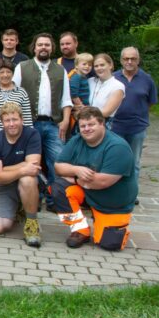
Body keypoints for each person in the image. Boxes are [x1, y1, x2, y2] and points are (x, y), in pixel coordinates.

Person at [51, 107, 137, 251]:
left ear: (102, 124)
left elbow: (102, 182)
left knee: (110, 244)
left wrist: (75, 179)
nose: (86, 129)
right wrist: (76, 170)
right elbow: (58, 167)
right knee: (58, 188)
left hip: (112, 203)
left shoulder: (117, 147)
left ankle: (104, 221)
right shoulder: (77, 140)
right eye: (83, 126)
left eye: (91, 124)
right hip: (88, 192)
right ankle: (80, 229)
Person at [13, 33, 73, 211]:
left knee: (58, 162)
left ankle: (55, 200)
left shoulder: (60, 70)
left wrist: (66, 121)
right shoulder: (22, 67)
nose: (43, 48)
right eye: (40, 45)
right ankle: (34, 198)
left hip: (54, 124)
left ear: (52, 48)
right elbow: (15, 96)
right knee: (31, 163)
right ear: (34, 48)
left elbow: (66, 99)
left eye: (47, 45)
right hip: (29, 124)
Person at [0, 103, 43, 247]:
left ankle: (31, 223)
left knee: (28, 179)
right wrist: (22, 167)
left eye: (15, 119)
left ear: (22, 119)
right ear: (2, 122)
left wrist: (5, 169)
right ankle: (18, 208)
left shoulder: (32, 134)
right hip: (3, 186)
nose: (11, 124)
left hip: (26, 184)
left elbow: (33, 168)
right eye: (7, 120)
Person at [112, 47, 157, 179]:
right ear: (121, 60)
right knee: (116, 161)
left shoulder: (147, 79)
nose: (129, 62)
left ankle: (132, 190)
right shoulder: (113, 78)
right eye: (126, 59)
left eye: (133, 59)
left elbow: (151, 102)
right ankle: (116, 189)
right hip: (115, 127)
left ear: (138, 60)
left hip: (137, 128)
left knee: (134, 163)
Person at [0, 61, 33, 137]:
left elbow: (27, 117)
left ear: (13, 74)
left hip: (16, 135)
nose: (5, 75)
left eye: (8, 72)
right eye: (1, 72)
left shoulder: (21, 92)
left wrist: (29, 135)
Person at [88, 53, 125, 123]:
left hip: (104, 123)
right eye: (96, 66)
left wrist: (82, 110)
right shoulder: (90, 81)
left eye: (102, 65)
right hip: (85, 123)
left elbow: (106, 112)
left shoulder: (118, 86)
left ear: (110, 65)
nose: (99, 68)